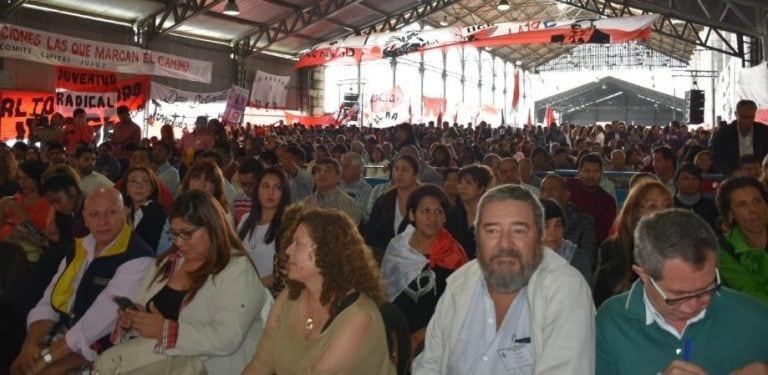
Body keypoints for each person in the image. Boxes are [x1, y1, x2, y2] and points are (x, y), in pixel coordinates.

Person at [413, 185, 595, 374]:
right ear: (477, 238)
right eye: (492, 231)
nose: (505, 244)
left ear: (539, 237)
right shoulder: (460, 283)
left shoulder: (566, 289)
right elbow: (429, 365)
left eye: (518, 231)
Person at [106, 190, 272, 374]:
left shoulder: (236, 270)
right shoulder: (167, 262)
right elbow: (146, 313)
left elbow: (228, 338)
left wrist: (165, 330)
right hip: (160, 364)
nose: (179, 242)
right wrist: (133, 321)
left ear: (211, 228)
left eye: (186, 233)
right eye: (174, 234)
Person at [596, 209, 768, 375]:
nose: (693, 306)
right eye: (679, 296)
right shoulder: (612, 321)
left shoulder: (757, 319)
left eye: (707, 288)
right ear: (643, 275)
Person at [11, 188, 154, 375]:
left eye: (111, 212)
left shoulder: (138, 258)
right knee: (19, 366)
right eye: (94, 214)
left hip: (97, 350)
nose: (102, 222)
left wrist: (44, 361)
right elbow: (49, 302)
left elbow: (96, 324)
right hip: (62, 339)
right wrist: (29, 347)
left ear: (126, 213)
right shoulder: (79, 249)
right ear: (85, 218)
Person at [242, 208, 396, 375]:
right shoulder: (290, 295)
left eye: (298, 243)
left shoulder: (358, 317)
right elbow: (261, 362)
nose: (288, 250)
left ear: (327, 251)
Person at [381, 184, 468, 350]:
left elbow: (456, 306)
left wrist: (420, 337)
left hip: (435, 336)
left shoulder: (453, 254)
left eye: (439, 211)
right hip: (394, 329)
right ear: (412, 215)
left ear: (445, 218)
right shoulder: (399, 247)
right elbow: (385, 291)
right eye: (425, 211)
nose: (432, 217)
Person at [593, 180, 672, 307]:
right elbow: (602, 300)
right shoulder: (613, 248)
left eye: (667, 205)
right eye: (653, 206)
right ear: (636, 213)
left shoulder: (680, 248)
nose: (662, 212)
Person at [715, 176, 768, 304]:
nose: (753, 210)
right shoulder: (724, 249)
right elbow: (749, 295)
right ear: (730, 214)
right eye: (742, 205)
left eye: (757, 201)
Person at [238, 167, 291, 289]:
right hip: (243, 287)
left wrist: (254, 286)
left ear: (284, 192)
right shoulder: (246, 219)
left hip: (272, 293)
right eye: (265, 186)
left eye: (277, 187)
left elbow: (285, 273)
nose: (270, 192)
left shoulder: (288, 225)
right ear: (257, 190)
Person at [366, 154, 422, 261]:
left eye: (405, 170)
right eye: (396, 169)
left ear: (415, 174)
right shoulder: (383, 200)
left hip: (417, 260)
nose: (399, 174)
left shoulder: (425, 200)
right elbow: (372, 233)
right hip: (384, 259)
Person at [539, 174, 597, 269]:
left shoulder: (584, 222)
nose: (546, 194)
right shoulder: (531, 220)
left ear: (566, 195)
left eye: (551, 190)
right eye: (542, 190)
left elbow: (588, 261)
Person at [445, 164, 494, 259]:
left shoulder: (490, 215)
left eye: (469, 183)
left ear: (481, 189)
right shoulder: (451, 214)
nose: (462, 187)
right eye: (460, 182)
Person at [567, 152, 617, 246]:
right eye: (587, 171)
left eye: (595, 172)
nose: (591, 176)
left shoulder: (607, 201)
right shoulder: (567, 187)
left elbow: (602, 236)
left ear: (601, 173)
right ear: (579, 171)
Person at [539, 198, 592, 284]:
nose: (553, 233)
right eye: (546, 226)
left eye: (558, 225)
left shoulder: (576, 259)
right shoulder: (518, 259)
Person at [711, 99, 768, 176]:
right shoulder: (723, 134)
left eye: (751, 117)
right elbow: (717, 159)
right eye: (743, 117)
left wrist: (764, 171)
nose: (747, 121)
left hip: (760, 175)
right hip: (733, 177)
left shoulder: (764, 131)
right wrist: (733, 172)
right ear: (736, 114)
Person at [120, 166, 168, 253]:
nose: (139, 186)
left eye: (145, 181)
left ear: (151, 189)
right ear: (126, 189)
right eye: (134, 181)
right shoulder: (120, 211)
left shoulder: (160, 214)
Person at [302, 157, 359, 225]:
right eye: (318, 170)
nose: (322, 174)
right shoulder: (305, 203)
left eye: (328, 171)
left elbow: (349, 234)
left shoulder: (348, 204)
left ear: (338, 176)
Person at [673, 162, 718, 230]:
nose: (691, 182)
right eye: (686, 179)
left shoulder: (711, 206)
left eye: (695, 179)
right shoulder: (669, 205)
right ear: (677, 182)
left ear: (700, 182)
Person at [340, 152, 373, 225]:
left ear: (358, 168)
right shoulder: (337, 184)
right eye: (341, 166)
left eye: (345, 167)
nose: (341, 169)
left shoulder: (365, 189)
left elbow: (356, 215)